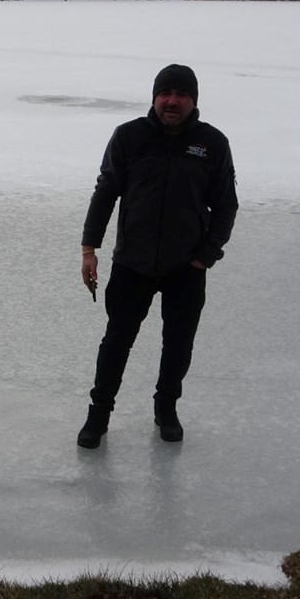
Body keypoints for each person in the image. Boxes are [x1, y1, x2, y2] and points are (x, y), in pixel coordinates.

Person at [77, 64, 238, 449]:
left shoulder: (212, 143)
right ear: (154, 97)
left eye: (181, 94)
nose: (172, 101)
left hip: (186, 267)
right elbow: (105, 193)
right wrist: (89, 249)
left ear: (193, 101)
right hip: (132, 262)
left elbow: (226, 205)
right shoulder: (129, 137)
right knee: (116, 341)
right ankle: (98, 415)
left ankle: (166, 409)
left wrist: (205, 256)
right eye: (166, 93)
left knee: (178, 343)